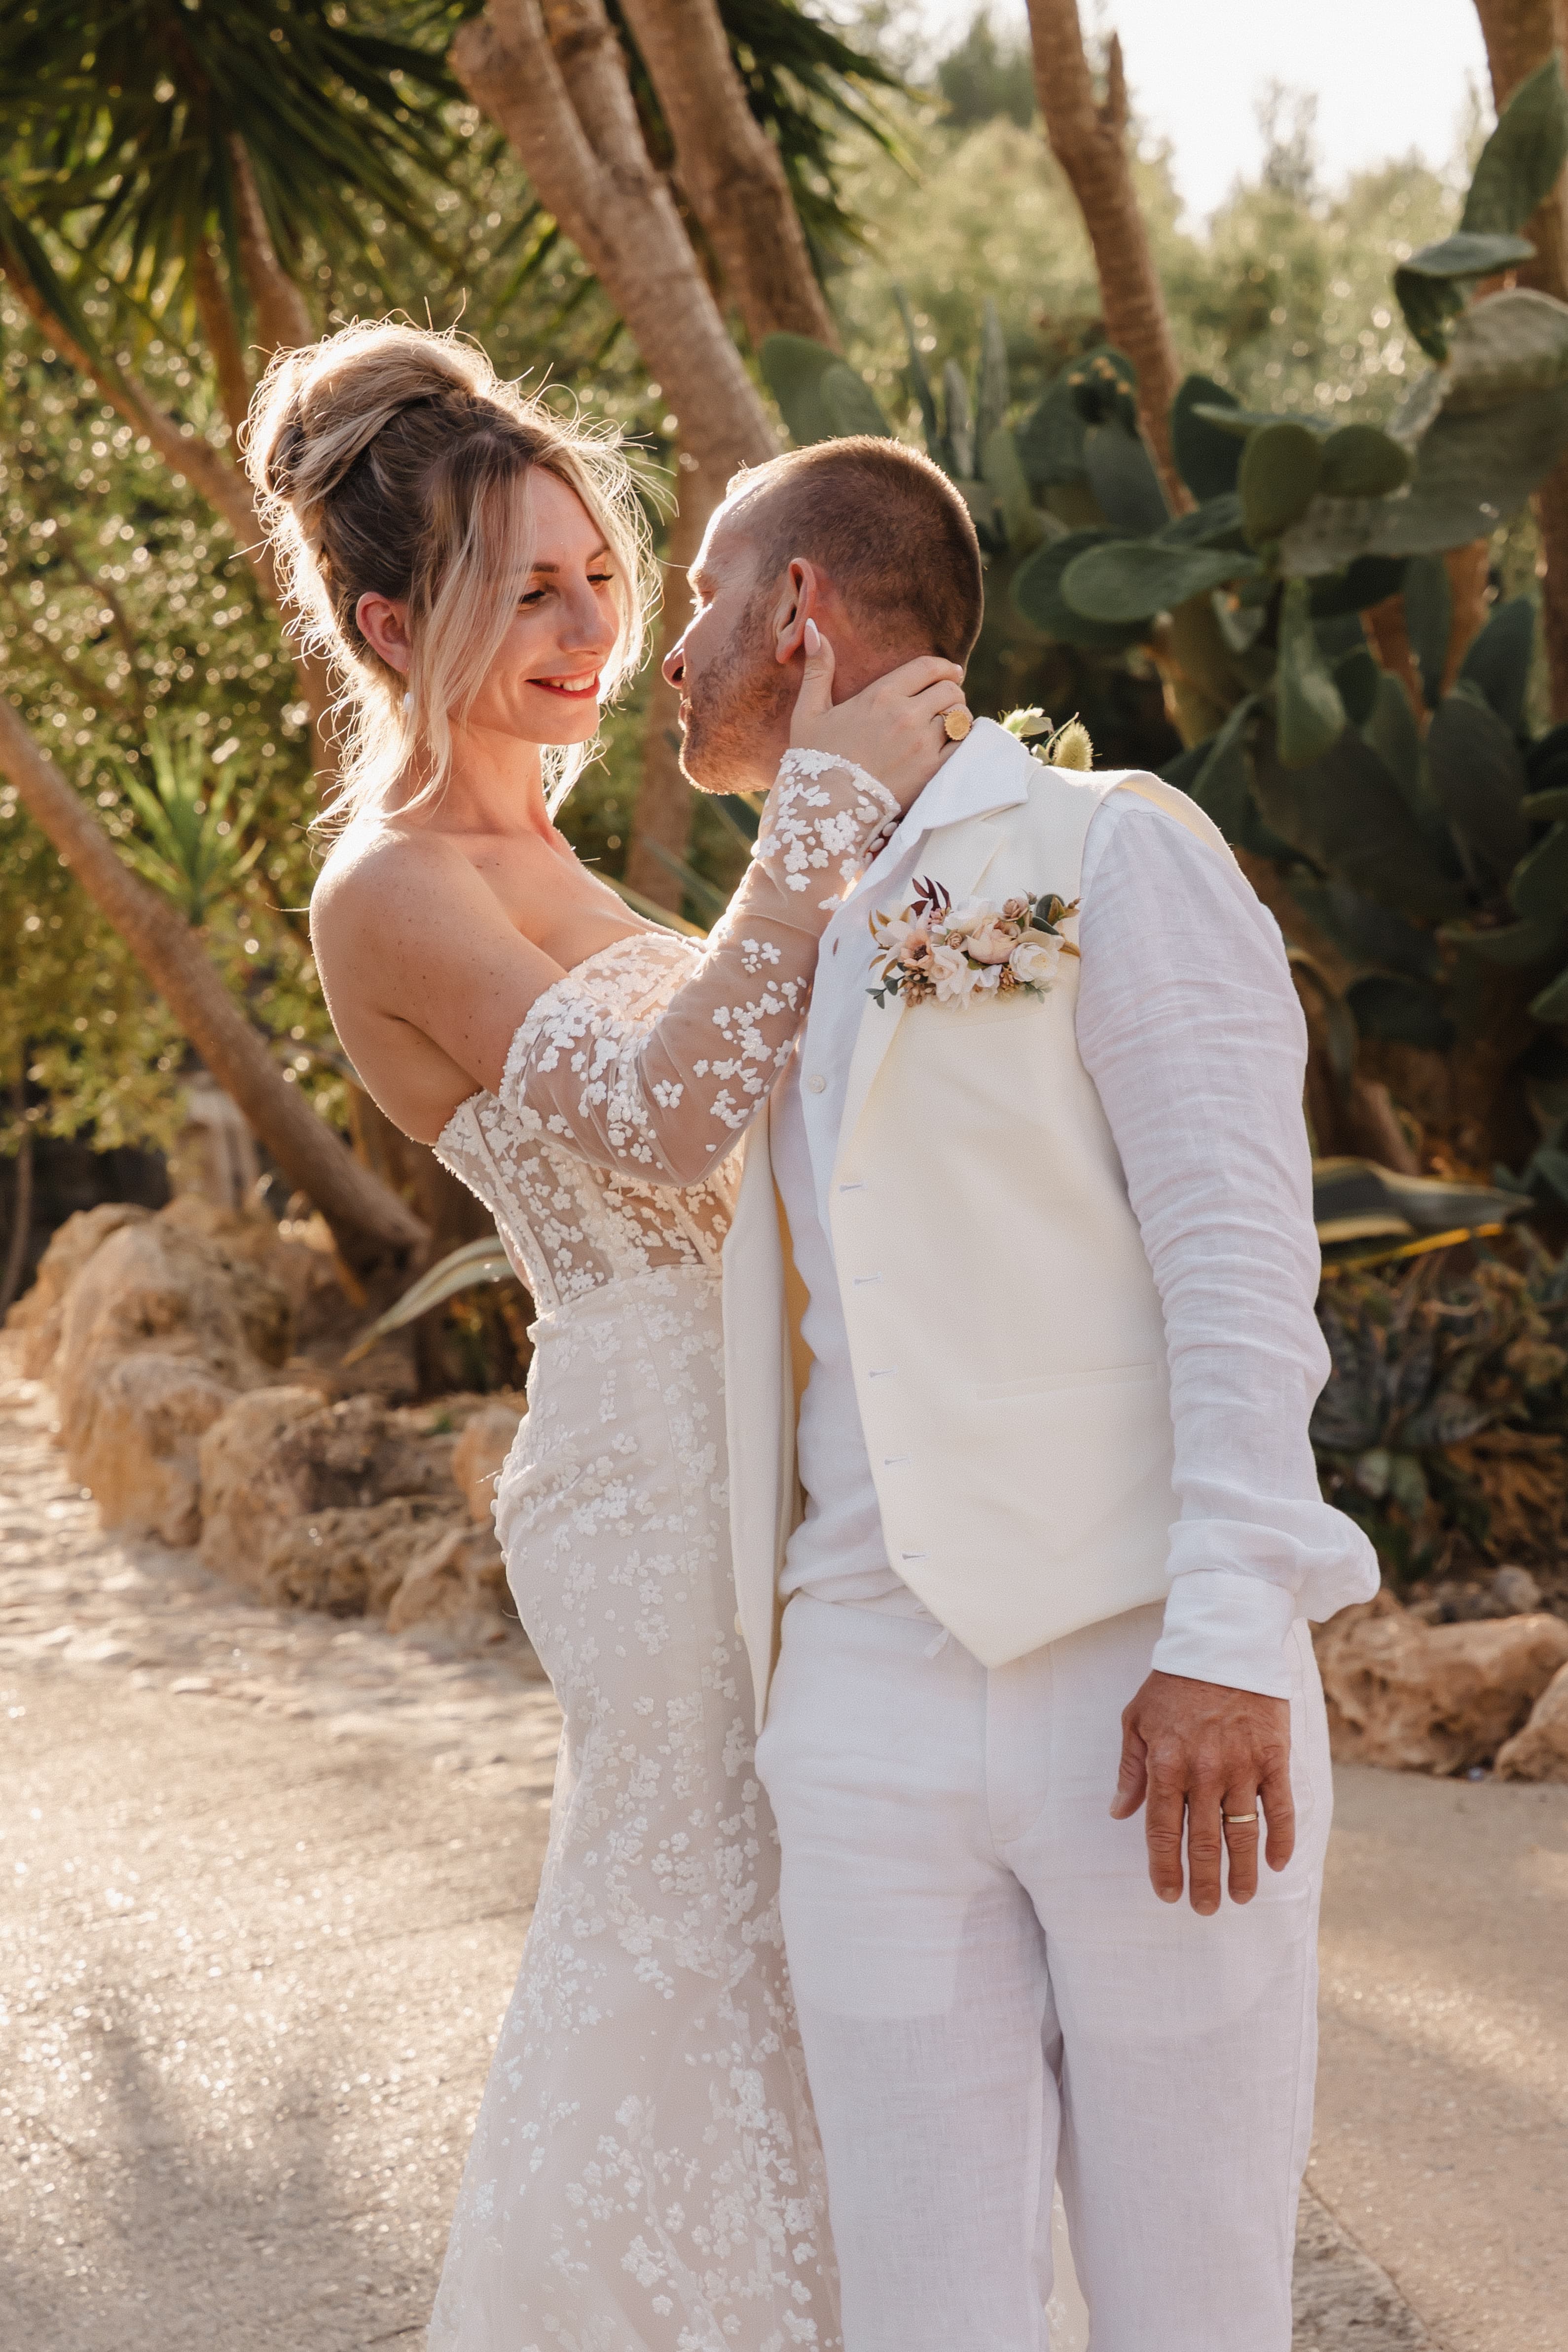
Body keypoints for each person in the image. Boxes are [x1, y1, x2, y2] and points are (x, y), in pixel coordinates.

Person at [244, 322, 968, 2351]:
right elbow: (664, 1115)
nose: (588, 629)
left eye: (596, 577)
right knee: (694, 1922)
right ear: (392, 623)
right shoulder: (389, 891)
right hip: (653, 1459)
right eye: (527, 591)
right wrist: (821, 811)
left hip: (788, 1427)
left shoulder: (553, 859)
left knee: (835, 1922)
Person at [662, 435, 1382, 2352]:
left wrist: (1234, 1625)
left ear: (798, 611)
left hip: (1148, 1692)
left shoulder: (1112, 848)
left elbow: (1241, 1261)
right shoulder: (778, 929)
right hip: (859, 1711)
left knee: (1189, 2305)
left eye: (696, 597)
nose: (669, 652)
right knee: (920, 2312)